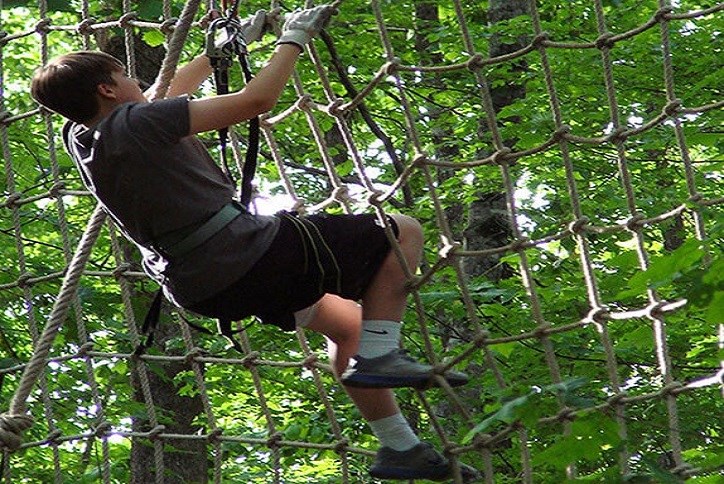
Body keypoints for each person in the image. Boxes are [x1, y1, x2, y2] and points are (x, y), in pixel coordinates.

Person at [31, 5, 478, 481]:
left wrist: (217, 53)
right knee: (401, 230)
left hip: (204, 285)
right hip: (247, 254)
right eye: (124, 74)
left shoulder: (85, 137)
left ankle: (400, 448)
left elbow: (164, 94)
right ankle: (381, 352)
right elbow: (256, 101)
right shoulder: (138, 124)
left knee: (348, 324)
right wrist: (294, 38)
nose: (136, 79)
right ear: (107, 88)